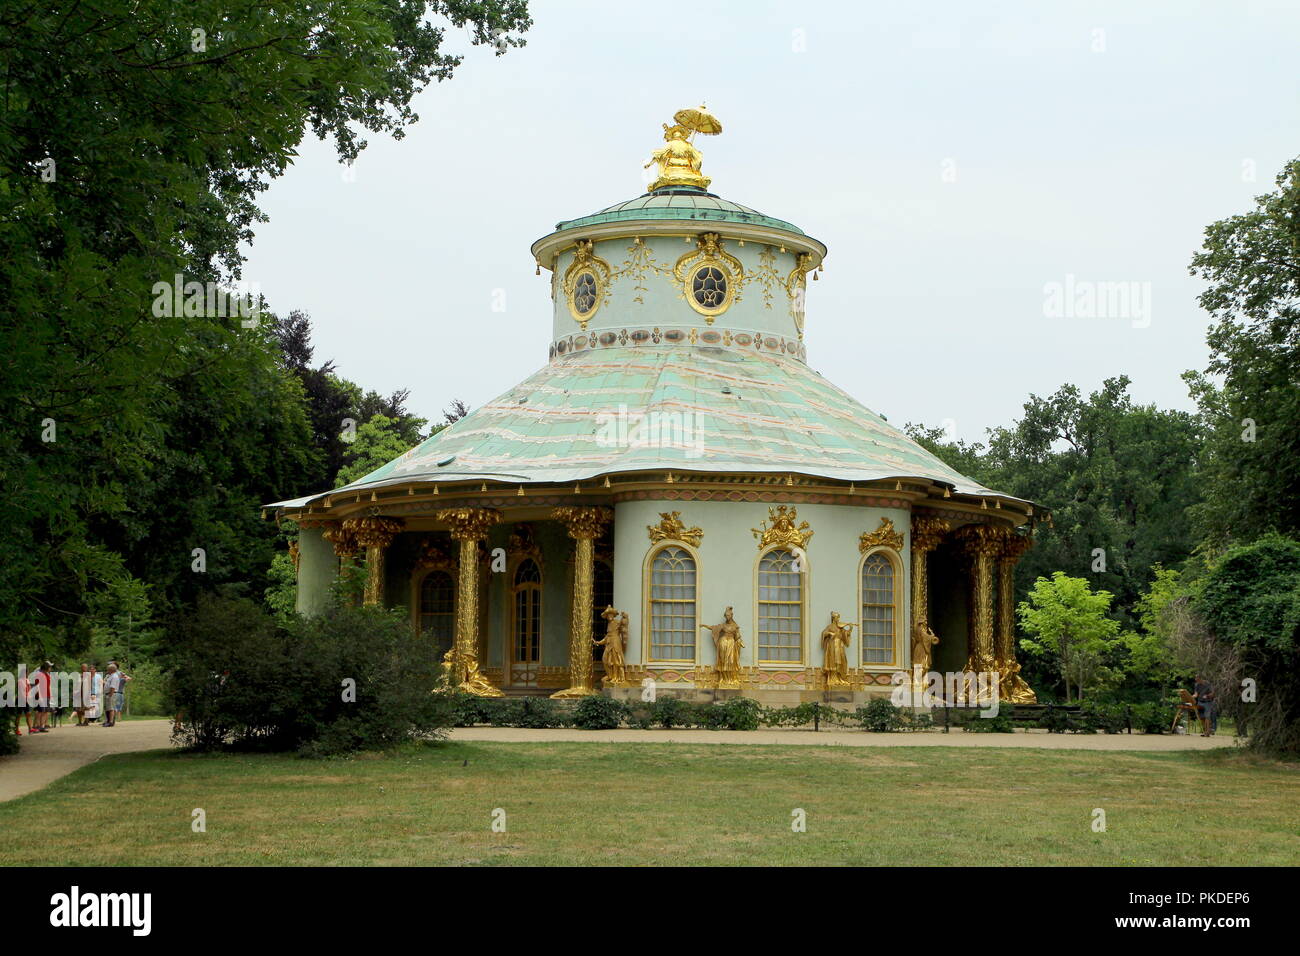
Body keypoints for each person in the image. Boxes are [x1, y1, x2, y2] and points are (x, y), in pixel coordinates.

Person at [103, 662, 129, 727]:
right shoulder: (111, 676)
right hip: (108, 693)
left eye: (108, 669)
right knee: (108, 708)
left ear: (112, 670)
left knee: (111, 708)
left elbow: (113, 687)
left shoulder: (114, 676)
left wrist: (110, 695)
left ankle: (111, 722)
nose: (107, 670)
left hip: (111, 694)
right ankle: (108, 721)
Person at [31, 662, 52, 733]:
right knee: (40, 711)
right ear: (46, 668)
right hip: (40, 695)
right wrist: (38, 695)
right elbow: (37, 686)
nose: (50, 668)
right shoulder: (39, 675)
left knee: (45, 711)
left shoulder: (47, 674)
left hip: (47, 694)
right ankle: (36, 726)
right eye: (49, 667)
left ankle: (41, 726)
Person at [14, 665, 32, 737]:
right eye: (27, 672)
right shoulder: (20, 681)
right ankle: (17, 730)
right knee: (19, 715)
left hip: (26, 699)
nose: (28, 674)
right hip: (21, 700)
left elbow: (29, 689)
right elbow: (21, 692)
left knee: (28, 714)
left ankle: (30, 729)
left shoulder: (27, 680)